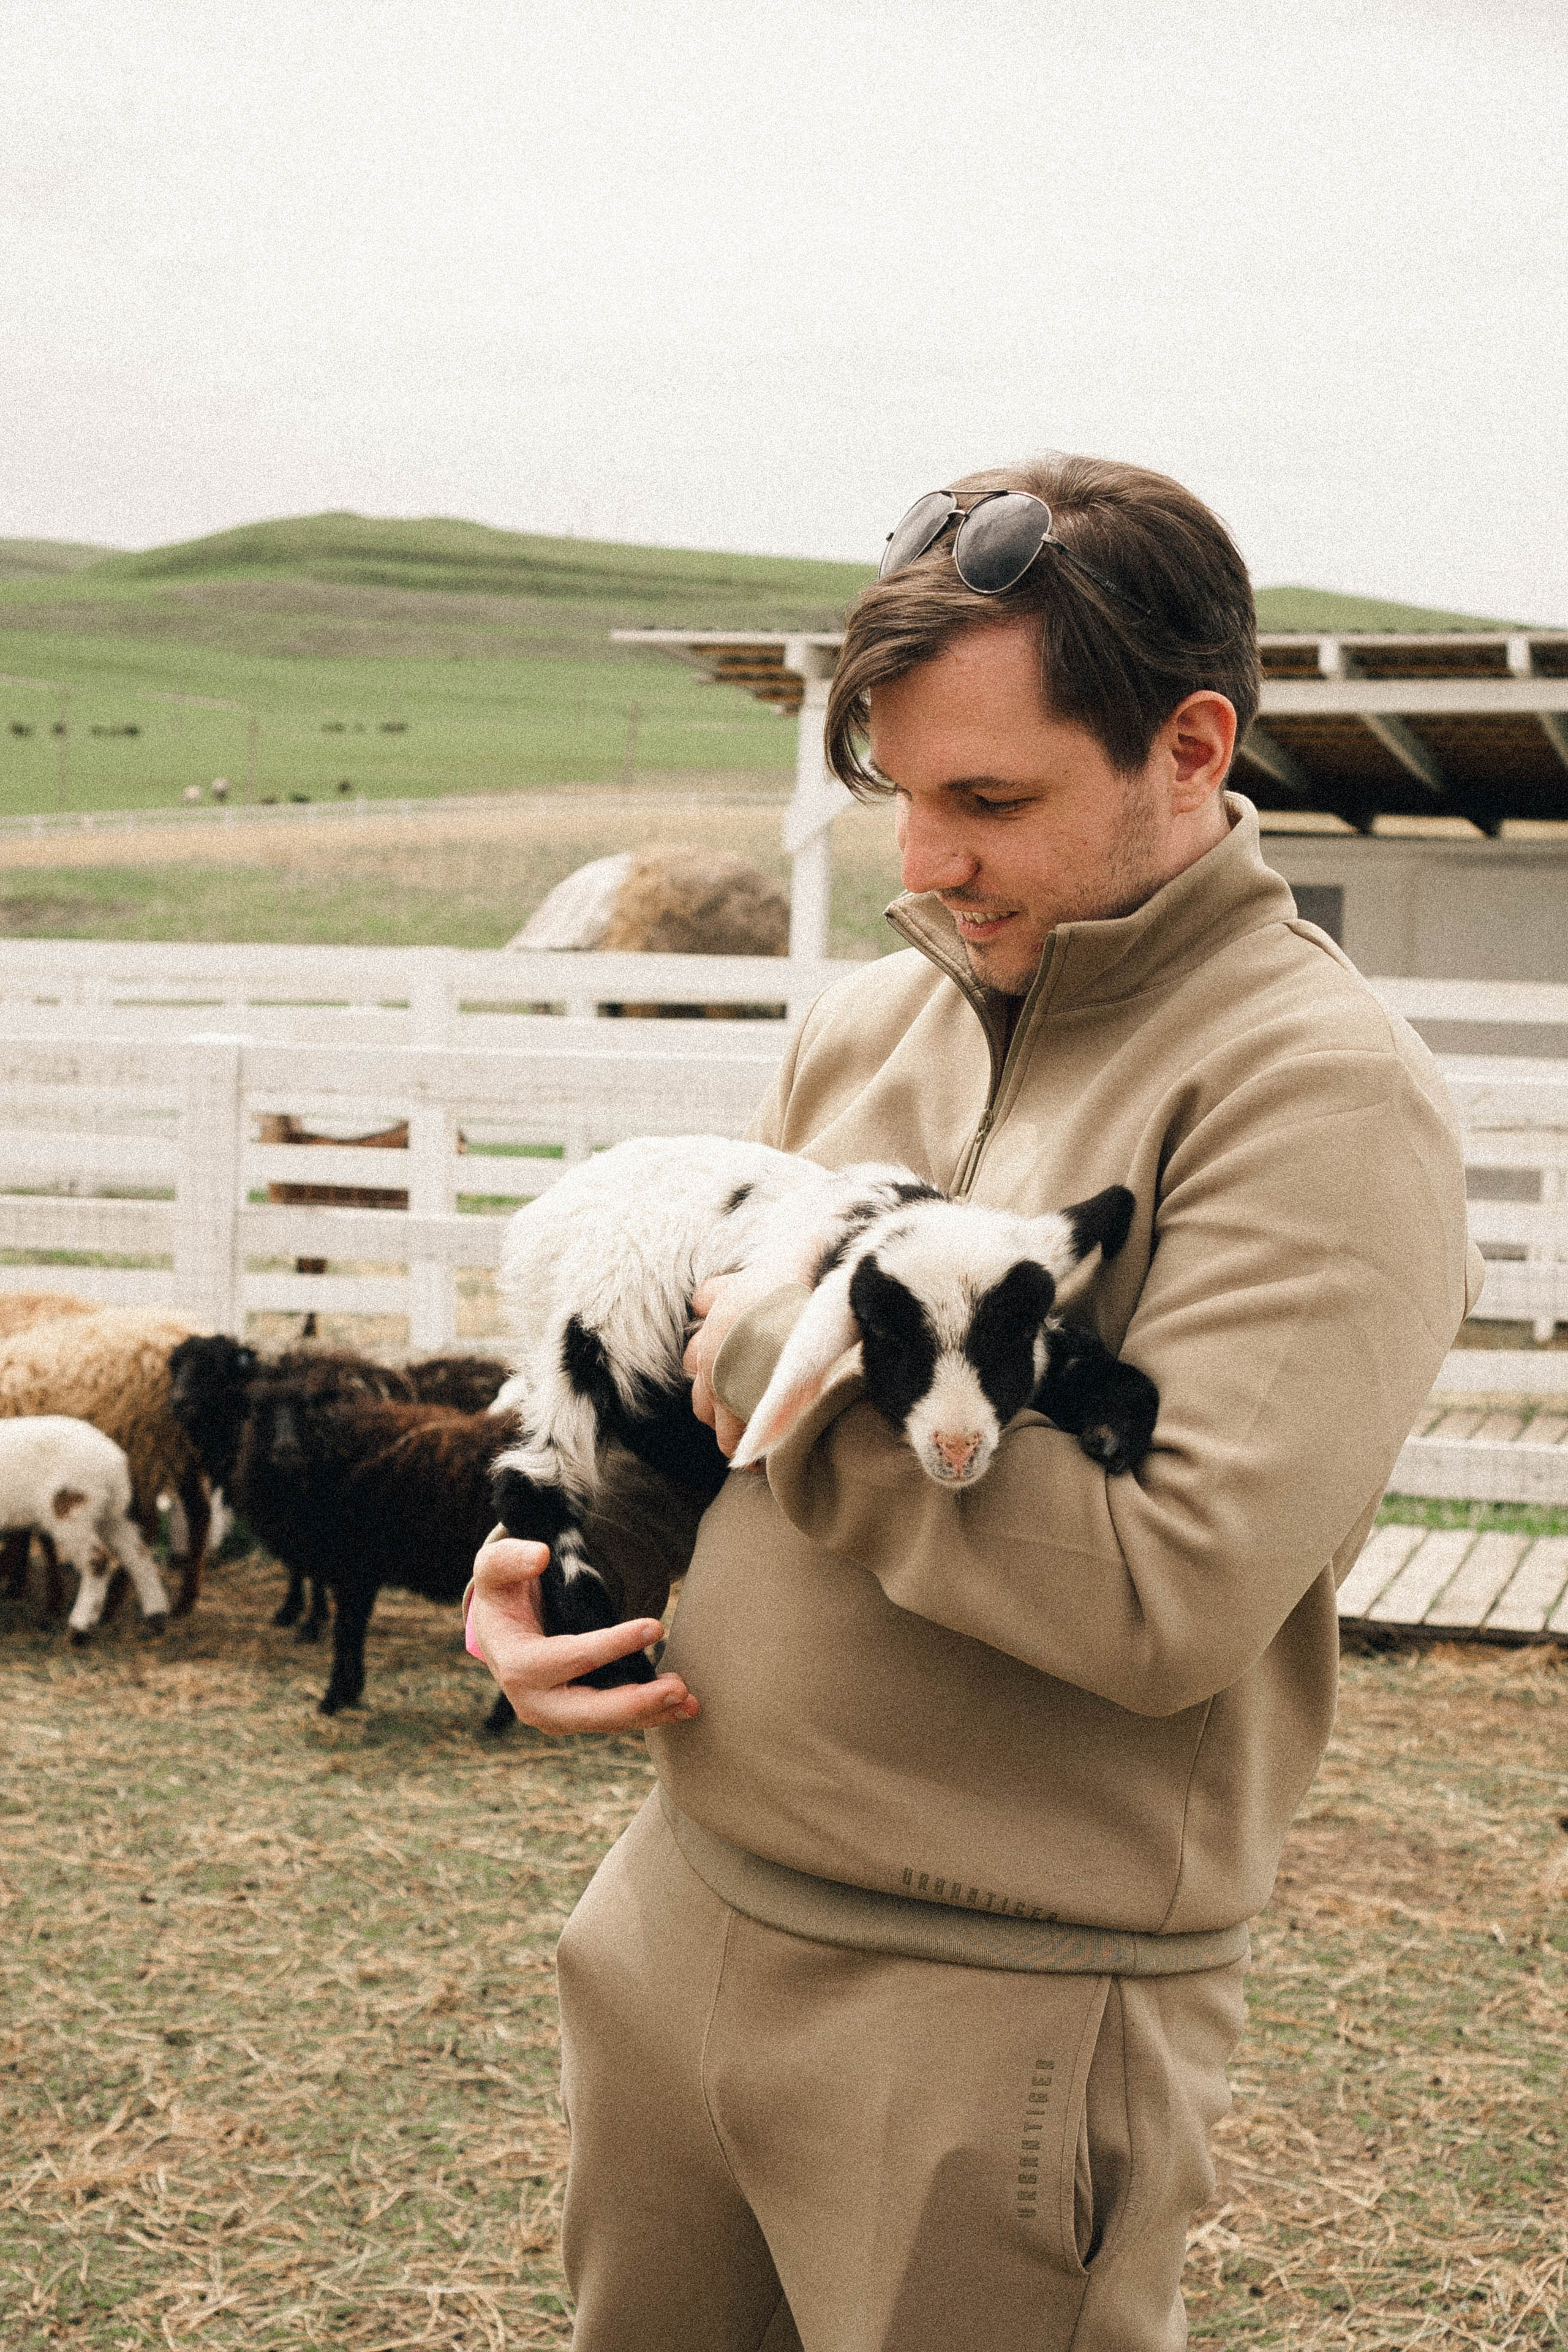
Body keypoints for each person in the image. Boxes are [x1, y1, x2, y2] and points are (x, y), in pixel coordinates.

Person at [467, 454, 1479, 2351]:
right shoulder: (870, 1022)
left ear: (1190, 747)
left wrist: (789, 1364)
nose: (924, 863)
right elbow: (698, 1410)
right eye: (907, 797)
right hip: (676, 1916)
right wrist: (564, 1561)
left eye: (990, 801)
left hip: (992, 2004)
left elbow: (1164, 1596)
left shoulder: (1319, 1097)